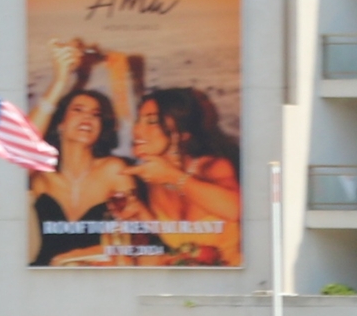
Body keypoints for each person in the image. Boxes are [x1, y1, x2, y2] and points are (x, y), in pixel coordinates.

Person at [26, 43, 138, 267]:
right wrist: (59, 82)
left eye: (95, 114)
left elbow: (131, 241)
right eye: (78, 110)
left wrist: (70, 259)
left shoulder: (113, 170)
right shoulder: (42, 177)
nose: (88, 118)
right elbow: (20, 147)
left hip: (95, 280)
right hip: (41, 282)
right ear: (60, 124)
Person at [119, 85, 243, 267]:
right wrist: (143, 214)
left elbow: (235, 209)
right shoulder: (154, 179)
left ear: (182, 134)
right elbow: (180, 245)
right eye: (139, 120)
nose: (137, 129)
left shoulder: (213, 167)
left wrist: (173, 177)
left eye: (152, 121)